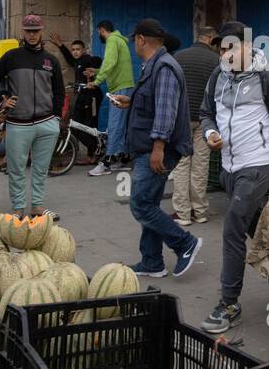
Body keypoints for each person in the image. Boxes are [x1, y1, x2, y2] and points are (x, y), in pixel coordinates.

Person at [199, 20, 269, 336]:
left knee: (232, 225)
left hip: (258, 165)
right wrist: (210, 132)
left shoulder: (265, 77)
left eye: (231, 46)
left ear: (248, 46)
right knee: (259, 228)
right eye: (221, 48)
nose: (225, 53)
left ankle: (229, 304)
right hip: (229, 169)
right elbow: (206, 113)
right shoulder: (217, 76)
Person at [115, 19, 198, 279]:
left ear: (141, 39)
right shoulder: (155, 65)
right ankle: (152, 262)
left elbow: (165, 112)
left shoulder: (163, 67)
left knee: (140, 205)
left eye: (134, 41)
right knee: (149, 202)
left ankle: (185, 243)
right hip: (150, 146)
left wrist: (158, 148)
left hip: (156, 149)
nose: (134, 45)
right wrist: (133, 101)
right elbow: (156, 103)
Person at [0, 14, 65, 219]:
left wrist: (56, 117)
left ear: (42, 31)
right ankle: (18, 209)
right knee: (16, 169)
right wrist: (1, 100)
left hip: (46, 123)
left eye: (36, 31)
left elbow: (59, 91)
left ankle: (37, 207)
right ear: (23, 32)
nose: (32, 35)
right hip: (18, 123)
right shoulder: (12, 57)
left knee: (41, 169)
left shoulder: (51, 60)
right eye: (28, 31)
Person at [171, 26, 218, 225]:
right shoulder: (216, 61)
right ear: (210, 39)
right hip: (205, 119)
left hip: (181, 118)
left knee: (182, 164)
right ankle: (199, 211)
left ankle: (182, 213)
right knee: (201, 164)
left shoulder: (179, 57)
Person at [87, 20, 134, 176]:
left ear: (101, 30)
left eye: (99, 32)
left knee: (114, 125)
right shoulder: (120, 40)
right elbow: (114, 64)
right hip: (124, 85)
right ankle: (123, 158)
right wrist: (97, 71)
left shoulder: (112, 40)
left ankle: (107, 162)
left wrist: (97, 81)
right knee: (120, 125)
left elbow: (110, 61)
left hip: (120, 87)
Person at [49, 32, 103, 157]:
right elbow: (70, 60)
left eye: (78, 49)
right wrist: (61, 45)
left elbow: (98, 61)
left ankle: (94, 153)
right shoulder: (77, 61)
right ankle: (93, 151)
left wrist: (92, 69)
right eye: (73, 50)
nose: (75, 52)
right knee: (75, 125)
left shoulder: (86, 59)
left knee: (89, 126)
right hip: (82, 97)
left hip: (92, 97)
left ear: (83, 50)